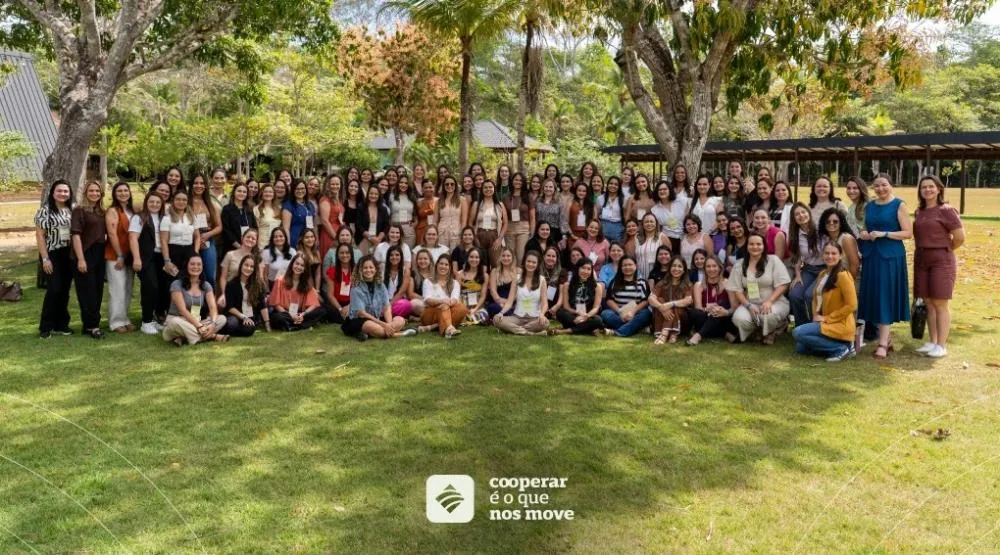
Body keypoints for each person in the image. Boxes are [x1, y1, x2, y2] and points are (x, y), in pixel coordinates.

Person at [858, 174, 912, 360]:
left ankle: (882, 344)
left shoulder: (899, 205)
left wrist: (885, 233)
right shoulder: (870, 206)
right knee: (874, 296)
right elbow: (865, 227)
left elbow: (908, 233)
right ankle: (886, 338)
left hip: (890, 257)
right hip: (872, 256)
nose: (880, 189)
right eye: (876, 186)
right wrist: (864, 233)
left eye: (884, 185)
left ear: (891, 185)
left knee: (885, 297)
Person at [912, 174, 965, 358]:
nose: (927, 190)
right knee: (927, 302)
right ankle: (933, 341)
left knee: (940, 302)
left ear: (939, 189)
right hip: (921, 259)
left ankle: (941, 345)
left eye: (931, 186)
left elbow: (959, 237)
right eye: (924, 187)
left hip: (941, 259)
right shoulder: (919, 212)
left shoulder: (947, 210)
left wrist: (945, 250)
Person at [792, 242, 858, 361]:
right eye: (827, 253)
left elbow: (852, 305)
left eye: (834, 253)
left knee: (797, 333)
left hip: (839, 324)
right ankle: (845, 346)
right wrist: (816, 316)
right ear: (822, 255)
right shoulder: (823, 274)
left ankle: (841, 348)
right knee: (800, 347)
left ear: (841, 255)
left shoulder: (843, 276)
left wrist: (827, 318)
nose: (830, 256)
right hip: (823, 321)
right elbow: (816, 299)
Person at [726, 233, 791, 344]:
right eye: (751, 244)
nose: (755, 247)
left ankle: (774, 330)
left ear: (764, 246)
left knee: (768, 315)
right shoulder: (739, 265)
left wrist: (770, 301)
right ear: (746, 246)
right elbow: (737, 290)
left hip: (775, 302)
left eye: (758, 244)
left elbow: (783, 284)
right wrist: (748, 305)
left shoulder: (773, 261)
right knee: (739, 318)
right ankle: (758, 331)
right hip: (751, 303)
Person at [36, 180, 76, 338]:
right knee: (54, 290)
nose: (63, 194)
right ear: (52, 193)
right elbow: (40, 235)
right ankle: (45, 327)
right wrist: (45, 259)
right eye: (59, 191)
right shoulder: (45, 211)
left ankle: (61, 324)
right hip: (52, 253)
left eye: (66, 191)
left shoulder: (72, 209)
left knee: (65, 290)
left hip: (69, 254)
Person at [341, 255, 414, 341]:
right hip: (360, 320)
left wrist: (389, 324)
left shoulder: (381, 286)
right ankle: (399, 334)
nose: (368, 270)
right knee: (370, 326)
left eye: (371, 267)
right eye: (365, 268)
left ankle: (375, 333)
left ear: (375, 269)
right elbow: (362, 314)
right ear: (360, 270)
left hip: (377, 318)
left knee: (400, 320)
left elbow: (387, 308)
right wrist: (384, 325)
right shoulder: (355, 288)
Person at [162, 256, 228, 346]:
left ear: (202, 266)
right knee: (175, 322)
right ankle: (212, 336)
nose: (196, 267)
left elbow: (213, 308)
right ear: (186, 266)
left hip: (195, 322)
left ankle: (184, 337)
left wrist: (212, 324)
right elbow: (182, 310)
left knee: (221, 319)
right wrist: (199, 326)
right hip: (177, 322)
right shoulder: (176, 284)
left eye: (199, 264)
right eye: (192, 264)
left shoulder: (205, 285)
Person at [71, 181, 108, 339]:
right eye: (91, 191)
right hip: (85, 253)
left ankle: (93, 324)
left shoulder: (102, 211)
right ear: (86, 192)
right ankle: (91, 325)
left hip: (100, 253)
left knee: (98, 290)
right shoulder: (79, 211)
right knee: (87, 291)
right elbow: (76, 235)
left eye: (97, 191)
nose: (94, 193)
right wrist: (80, 259)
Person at [129, 191, 169, 335]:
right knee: (150, 287)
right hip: (146, 258)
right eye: (152, 202)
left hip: (161, 257)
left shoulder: (164, 217)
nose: (155, 204)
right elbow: (133, 238)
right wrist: (137, 258)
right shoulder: (139, 217)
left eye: (158, 202)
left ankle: (153, 320)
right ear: (146, 202)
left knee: (160, 288)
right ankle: (145, 322)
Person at [493, 250, 549, 335]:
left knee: (545, 323)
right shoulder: (516, 278)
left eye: (534, 262)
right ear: (524, 262)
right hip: (517, 317)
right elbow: (509, 301)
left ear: (537, 265)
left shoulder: (542, 280)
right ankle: (530, 333)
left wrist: (542, 314)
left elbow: (545, 304)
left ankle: (517, 330)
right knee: (496, 319)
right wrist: (501, 313)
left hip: (534, 318)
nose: (530, 264)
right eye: (528, 261)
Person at [787, 202, 825, 327]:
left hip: (824, 269)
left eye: (803, 212)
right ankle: (802, 327)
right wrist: (797, 275)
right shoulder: (794, 235)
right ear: (794, 219)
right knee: (794, 294)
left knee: (810, 295)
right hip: (808, 269)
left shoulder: (821, 230)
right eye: (797, 214)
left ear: (808, 212)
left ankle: (815, 327)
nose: (801, 215)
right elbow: (797, 257)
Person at [104, 182, 135, 333]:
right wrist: (120, 255)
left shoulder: (131, 210)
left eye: (125, 190)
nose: (123, 193)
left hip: (130, 256)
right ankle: (115, 322)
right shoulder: (112, 211)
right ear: (115, 194)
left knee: (128, 288)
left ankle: (124, 318)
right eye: (119, 191)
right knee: (117, 289)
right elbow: (111, 234)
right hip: (116, 256)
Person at [269, 254, 327, 331]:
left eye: (302, 265)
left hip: (299, 313)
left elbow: (314, 304)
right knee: (277, 317)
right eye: (297, 263)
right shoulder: (279, 280)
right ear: (292, 264)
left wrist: (303, 314)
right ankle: (301, 325)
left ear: (305, 269)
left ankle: (292, 325)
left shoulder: (306, 284)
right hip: (284, 312)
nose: (298, 267)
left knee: (322, 311)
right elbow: (276, 305)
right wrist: (290, 315)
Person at [686, 255, 735, 345]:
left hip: (723, 318)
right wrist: (707, 309)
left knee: (722, 304)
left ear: (720, 268)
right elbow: (698, 308)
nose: (711, 269)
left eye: (714, 266)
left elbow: (734, 308)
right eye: (708, 266)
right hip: (705, 317)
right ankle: (724, 333)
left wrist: (726, 312)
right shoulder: (698, 285)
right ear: (704, 269)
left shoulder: (727, 283)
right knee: (693, 312)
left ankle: (698, 335)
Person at [550, 258, 606, 336]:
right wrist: (577, 312)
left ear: (591, 271)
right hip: (573, 315)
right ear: (577, 269)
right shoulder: (567, 285)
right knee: (560, 313)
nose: (586, 271)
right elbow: (566, 306)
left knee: (598, 320)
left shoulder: (597, 287)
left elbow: (596, 308)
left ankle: (566, 331)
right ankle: (589, 329)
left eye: (589, 269)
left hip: (588, 316)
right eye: (583, 268)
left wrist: (586, 316)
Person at [600, 255, 652, 337]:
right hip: (619, 313)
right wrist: (620, 312)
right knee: (605, 314)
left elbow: (645, 301)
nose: (627, 267)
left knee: (646, 313)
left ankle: (617, 332)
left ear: (636, 266)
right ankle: (637, 328)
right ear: (620, 267)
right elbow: (609, 300)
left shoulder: (642, 282)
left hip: (636, 313)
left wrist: (633, 312)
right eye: (624, 265)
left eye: (630, 265)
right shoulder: (614, 282)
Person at [419, 254, 467, 338]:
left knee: (462, 308)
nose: (443, 267)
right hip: (429, 314)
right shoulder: (428, 281)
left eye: (446, 264)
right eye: (441, 263)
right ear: (437, 264)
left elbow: (455, 299)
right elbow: (427, 300)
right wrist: (442, 301)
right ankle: (449, 328)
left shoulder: (455, 283)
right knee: (444, 306)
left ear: (450, 267)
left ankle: (435, 327)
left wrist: (449, 303)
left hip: (447, 310)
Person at [648, 255, 693, 344]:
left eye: (680, 266)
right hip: (663, 317)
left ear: (684, 270)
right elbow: (651, 298)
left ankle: (664, 334)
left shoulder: (688, 285)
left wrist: (671, 304)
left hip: (682, 320)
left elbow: (688, 300)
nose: (676, 269)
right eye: (674, 266)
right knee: (660, 300)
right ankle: (672, 334)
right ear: (670, 268)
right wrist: (661, 307)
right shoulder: (662, 283)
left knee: (675, 306)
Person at [223, 254, 271, 336]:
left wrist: (267, 325)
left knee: (249, 328)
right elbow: (230, 307)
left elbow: (263, 306)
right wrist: (244, 317)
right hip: (237, 316)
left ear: (254, 269)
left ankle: (231, 332)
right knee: (232, 323)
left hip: (251, 317)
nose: (248, 268)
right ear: (241, 265)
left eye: (251, 266)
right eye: (246, 265)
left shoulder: (258, 284)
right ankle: (227, 331)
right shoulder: (231, 284)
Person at [190, 174, 222, 287]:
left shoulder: (211, 204)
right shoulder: (186, 202)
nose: (199, 186)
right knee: (191, 276)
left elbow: (219, 226)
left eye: (202, 183)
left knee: (209, 275)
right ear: (191, 185)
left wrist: (207, 235)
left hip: (207, 239)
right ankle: (192, 302)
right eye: (196, 183)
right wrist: (196, 239)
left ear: (206, 186)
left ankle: (209, 304)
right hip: (189, 239)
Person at [217, 228, 262, 305]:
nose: (250, 239)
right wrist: (224, 294)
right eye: (248, 237)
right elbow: (223, 278)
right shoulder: (230, 255)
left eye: (253, 238)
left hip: (248, 295)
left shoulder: (257, 258)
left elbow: (258, 279)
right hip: (231, 293)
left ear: (256, 242)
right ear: (242, 238)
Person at [471, 180, 506, 267]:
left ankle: (495, 280)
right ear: (482, 190)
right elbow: (470, 223)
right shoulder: (476, 204)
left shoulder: (499, 205)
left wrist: (500, 239)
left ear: (494, 189)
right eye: (485, 187)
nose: (488, 189)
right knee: (481, 265)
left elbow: (505, 223)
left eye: (490, 187)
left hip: (494, 236)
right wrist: (474, 238)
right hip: (479, 235)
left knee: (496, 264)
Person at [220, 182, 257, 263]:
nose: (242, 193)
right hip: (232, 248)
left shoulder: (249, 209)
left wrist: (250, 246)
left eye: (244, 192)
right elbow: (226, 231)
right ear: (234, 192)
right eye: (239, 191)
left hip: (249, 248)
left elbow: (254, 228)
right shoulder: (227, 209)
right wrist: (240, 247)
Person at [818, 208, 860, 279]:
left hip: (847, 279)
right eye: (828, 221)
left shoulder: (846, 239)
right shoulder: (827, 239)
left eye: (835, 221)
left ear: (840, 224)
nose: (831, 223)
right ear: (824, 224)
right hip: (832, 277)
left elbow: (854, 266)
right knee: (817, 289)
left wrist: (848, 284)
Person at [651, 180, 689, 252]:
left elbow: (689, 218)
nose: (662, 191)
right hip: (668, 239)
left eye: (665, 189)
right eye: (660, 190)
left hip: (685, 237)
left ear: (670, 190)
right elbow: (657, 230)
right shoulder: (654, 210)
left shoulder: (682, 201)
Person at [503, 173, 534, 262]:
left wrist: (531, 233)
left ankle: (519, 275)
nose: (518, 182)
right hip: (509, 229)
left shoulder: (528, 197)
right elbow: (503, 217)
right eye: (516, 180)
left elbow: (532, 217)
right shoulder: (507, 197)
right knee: (510, 256)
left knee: (521, 256)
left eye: (520, 180)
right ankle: (511, 275)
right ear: (512, 181)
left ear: (523, 182)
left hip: (523, 229)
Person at [324, 243, 355, 324]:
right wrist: (340, 309)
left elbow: (358, 293)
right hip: (336, 304)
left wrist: (348, 307)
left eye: (347, 252)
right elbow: (330, 295)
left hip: (352, 303)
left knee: (356, 311)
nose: (344, 255)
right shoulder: (332, 271)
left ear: (351, 254)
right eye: (341, 253)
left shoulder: (356, 271)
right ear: (337, 255)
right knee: (328, 311)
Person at [634, 213, 671, 281]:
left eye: (651, 221)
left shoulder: (662, 237)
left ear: (656, 223)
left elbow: (669, 257)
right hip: (639, 276)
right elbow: (632, 257)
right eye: (646, 222)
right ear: (642, 224)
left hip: (657, 277)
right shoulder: (636, 238)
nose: (649, 224)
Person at [457, 247, 490, 324]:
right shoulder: (460, 274)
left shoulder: (485, 275)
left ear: (480, 259)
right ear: (467, 258)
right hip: (463, 305)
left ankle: (469, 319)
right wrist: (464, 309)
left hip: (477, 306)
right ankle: (468, 318)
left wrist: (475, 309)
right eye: (471, 257)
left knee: (484, 315)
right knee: (460, 314)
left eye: (477, 257)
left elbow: (483, 296)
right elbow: (457, 294)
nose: (474, 260)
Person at [357, 183, 390, 254]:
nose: (373, 196)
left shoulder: (383, 209)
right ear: (368, 194)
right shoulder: (361, 207)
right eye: (371, 193)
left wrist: (378, 239)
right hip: (364, 240)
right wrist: (370, 238)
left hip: (379, 241)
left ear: (379, 195)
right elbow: (358, 225)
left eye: (376, 194)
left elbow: (386, 225)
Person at [282, 179, 316, 248]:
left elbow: (313, 225)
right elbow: (286, 228)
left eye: (302, 188)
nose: (300, 191)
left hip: (308, 240)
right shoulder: (289, 205)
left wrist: (315, 239)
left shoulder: (310, 205)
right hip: (294, 239)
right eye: (297, 189)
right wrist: (287, 244)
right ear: (293, 190)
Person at [436, 176, 468, 248]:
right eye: (447, 184)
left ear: (455, 185)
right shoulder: (438, 201)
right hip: (441, 233)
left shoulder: (462, 200)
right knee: (443, 256)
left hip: (456, 233)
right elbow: (435, 221)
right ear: (443, 186)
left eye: (452, 184)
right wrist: (435, 234)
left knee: (455, 256)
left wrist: (462, 235)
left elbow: (464, 221)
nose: (449, 186)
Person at [383, 244, 414, 319]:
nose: (394, 257)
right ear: (388, 257)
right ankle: (388, 315)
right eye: (391, 255)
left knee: (406, 305)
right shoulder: (382, 270)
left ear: (401, 257)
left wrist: (389, 305)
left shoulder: (406, 271)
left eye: (397, 255)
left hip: (398, 302)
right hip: (384, 301)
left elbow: (401, 292)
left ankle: (385, 314)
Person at [487, 247, 518, 318]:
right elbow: (493, 291)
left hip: (513, 302)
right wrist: (499, 301)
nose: (506, 258)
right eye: (503, 256)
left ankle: (505, 314)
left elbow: (518, 292)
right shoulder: (494, 271)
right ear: (500, 257)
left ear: (512, 257)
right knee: (492, 308)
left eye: (508, 256)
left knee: (518, 307)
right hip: (498, 302)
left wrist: (509, 302)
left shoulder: (517, 271)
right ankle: (510, 315)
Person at [318, 175, 344, 259]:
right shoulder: (325, 200)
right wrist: (336, 237)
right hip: (329, 234)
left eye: (337, 184)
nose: (335, 186)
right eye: (332, 184)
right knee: (330, 261)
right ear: (328, 185)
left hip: (339, 233)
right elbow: (324, 221)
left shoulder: (338, 199)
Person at [535, 179, 566, 247]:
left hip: (555, 232)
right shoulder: (538, 201)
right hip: (540, 232)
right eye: (546, 186)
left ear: (554, 189)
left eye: (550, 187)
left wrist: (564, 236)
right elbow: (535, 218)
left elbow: (562, 220)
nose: (548, 189)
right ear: (543, 188)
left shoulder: (559, 202)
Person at [391, 175, 418, 247]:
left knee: (407, 254)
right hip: (395, 230)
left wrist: (413, 226)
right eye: (401, 182)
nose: (403, 185)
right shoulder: (391, 196)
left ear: (408, 185)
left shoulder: (412, 197)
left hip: (408, 230)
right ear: (398, 183)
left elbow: (416, 216)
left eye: (406, 183)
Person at [597, 176, 626, 242]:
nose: (613, 186)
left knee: (616, 249)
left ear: (619, 187)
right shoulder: (600, 198)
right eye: (611, 183)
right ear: (607, 185)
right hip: (603, 227)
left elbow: (626, 216)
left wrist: (623, 228)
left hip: (618, 228)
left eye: (616, 184)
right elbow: (596, 215)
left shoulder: (623, 199)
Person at [407, 249, 435, 317]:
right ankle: (433, 316)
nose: (422, 261)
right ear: (416, 261)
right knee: (413, 303)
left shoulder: (435, 274)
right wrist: (426, 299)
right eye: (420, 259)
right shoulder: (412, 274)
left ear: (430, 260)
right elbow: (411, 294)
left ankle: (428, 317)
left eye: (425, 259)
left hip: (435, 301)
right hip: (421, 301)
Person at [567, 182, 594, 247]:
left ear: (587, 192)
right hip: (573, 235)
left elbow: (593, 221)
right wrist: (571, 235)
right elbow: (566, 221)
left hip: (587, 235)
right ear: (576, 191)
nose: (581, 193)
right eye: (579, 190)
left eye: (584, 191)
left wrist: (589, 235)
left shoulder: (591, 205)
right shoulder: (570, 203)